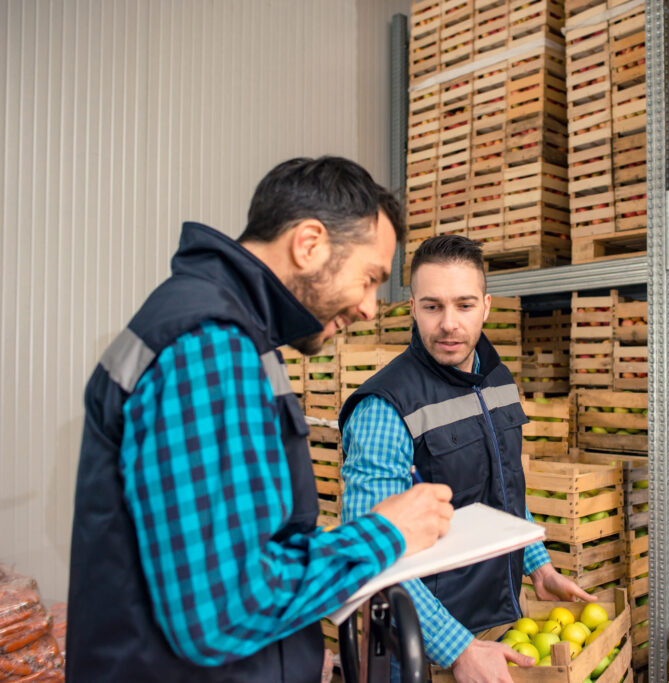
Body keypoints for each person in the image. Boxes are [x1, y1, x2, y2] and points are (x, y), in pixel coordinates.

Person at [67, 156, 454, 682]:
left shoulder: (231, 334)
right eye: (369, 278)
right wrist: (387, 532)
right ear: (309, 243)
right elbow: (223, 611)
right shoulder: (210, 347)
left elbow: (237, 547)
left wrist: (292, 654)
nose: (370, 307)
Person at [339, 235, 594, 683]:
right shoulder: (385, 407)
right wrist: (459, 649)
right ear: (413, 307)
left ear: (487, 306)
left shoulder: (495, 378)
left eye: (464, 305)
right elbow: (371, 552)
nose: (449, 324)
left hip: (498, 626)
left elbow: (502, 488)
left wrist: (537, 564)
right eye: (433, 306)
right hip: (417, 649)